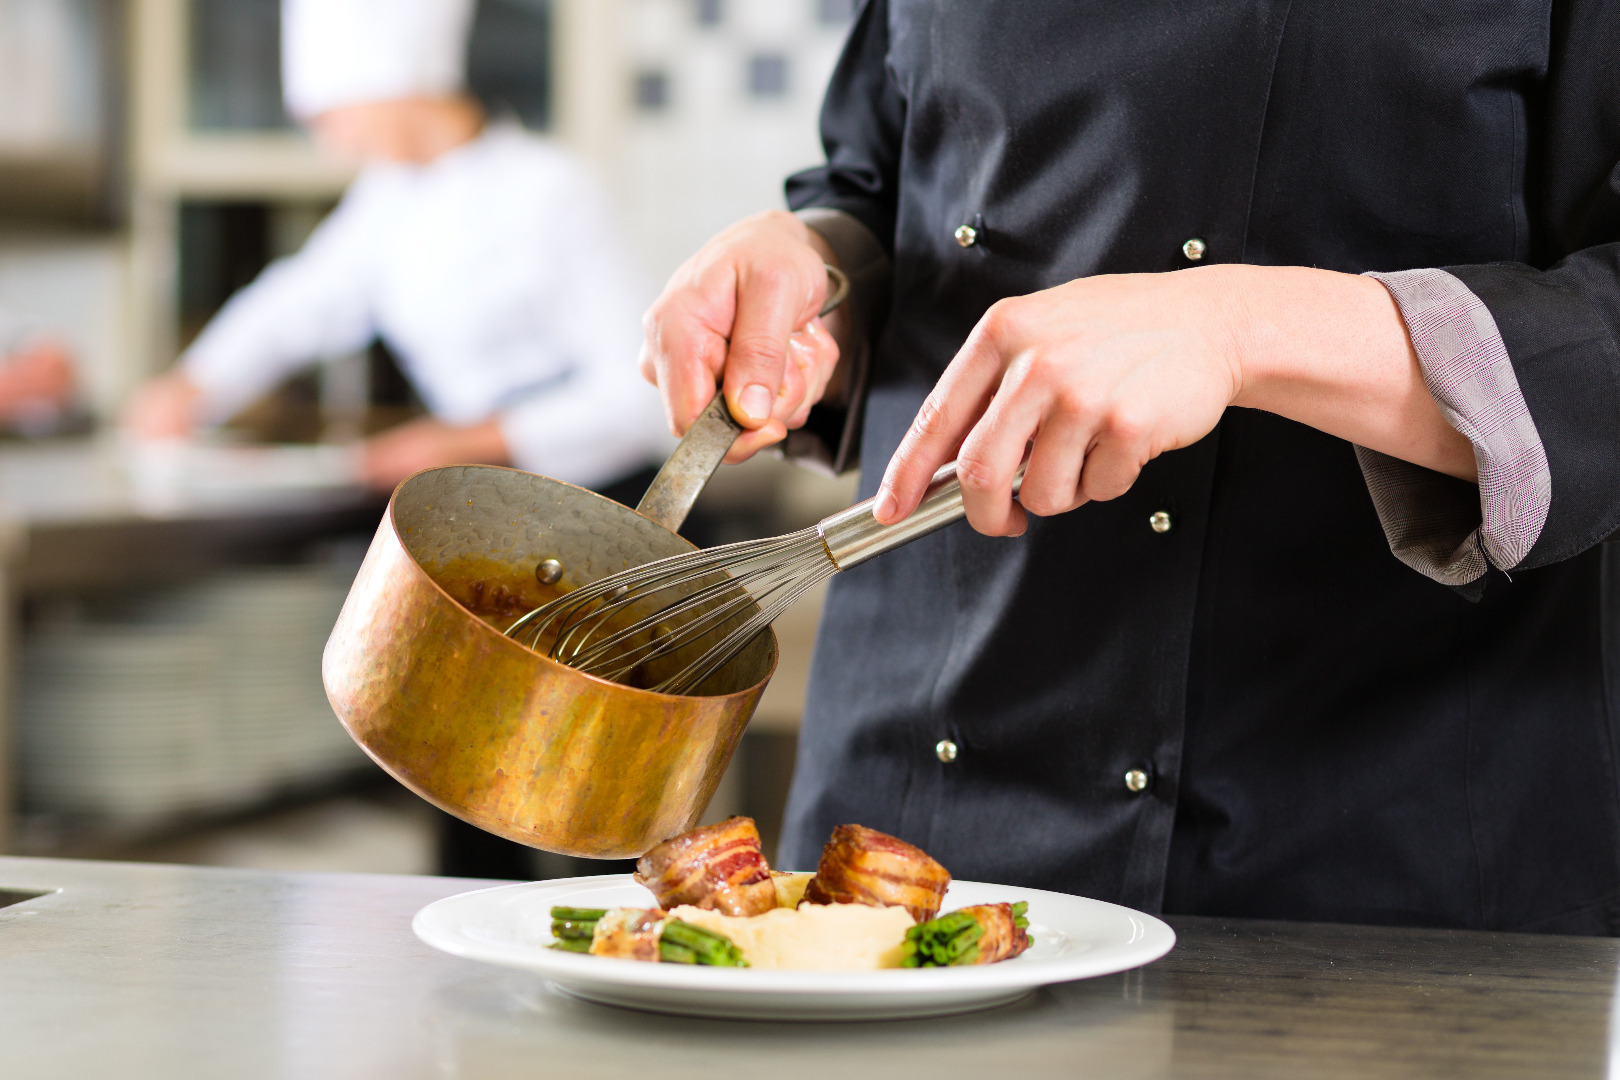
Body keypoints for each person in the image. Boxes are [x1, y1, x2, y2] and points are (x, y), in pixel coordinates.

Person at [640, 1, 1620, 934]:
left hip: (1376, 842)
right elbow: (884, 188)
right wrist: (815, 269)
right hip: (911, 816)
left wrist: (1237, 329)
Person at [124, 0, 666, 496]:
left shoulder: (552, 189)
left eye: (332, 118)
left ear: (398, 89)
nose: (329, 144)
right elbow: (295, 305)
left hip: (606, 502)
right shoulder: (388, 200)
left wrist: (462, 443)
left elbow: (636, 396)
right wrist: (192, 386)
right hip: (495, 502)